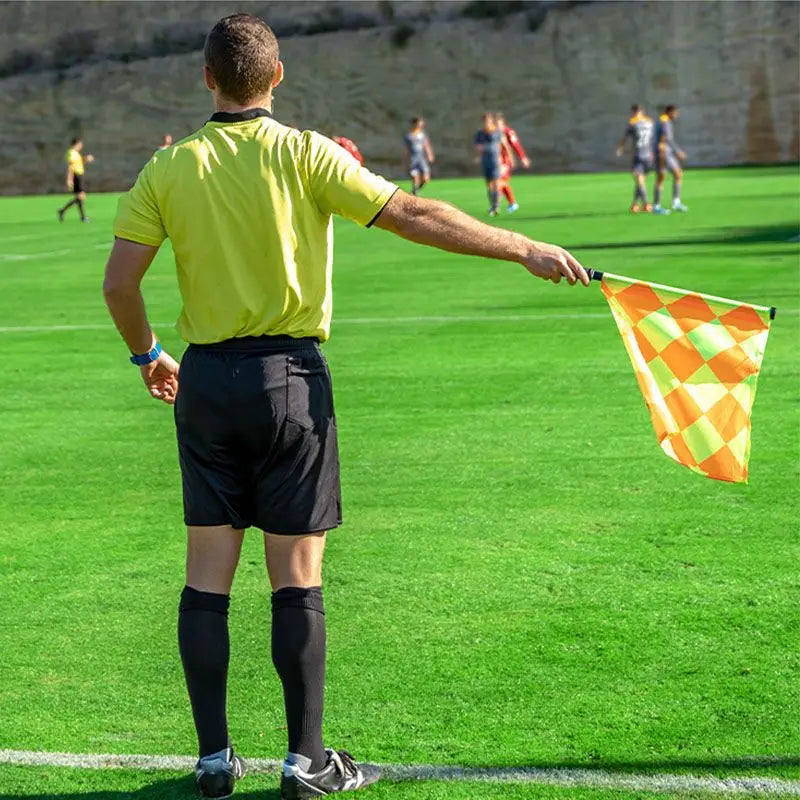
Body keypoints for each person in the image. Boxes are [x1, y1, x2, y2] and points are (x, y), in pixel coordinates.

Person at [102, 13, 589, 800]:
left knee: (206, 579)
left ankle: (215, 761)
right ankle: (305, 762)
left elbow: (120, 285)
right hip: (288, 378)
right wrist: (521, 247)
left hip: (205, 383)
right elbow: (415, 215)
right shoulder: (305, 153)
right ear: (278, 75)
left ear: (207, 79)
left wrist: (148, 355)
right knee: (295, 576)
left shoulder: (171, 167)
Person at [615, 104, 655, 214]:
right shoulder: (650, 121)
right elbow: (653, 138)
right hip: (648, 155)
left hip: (639, 155)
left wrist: (620, 148)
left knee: (640, 181)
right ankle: (635, 204)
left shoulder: (632, 122)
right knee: (640, 180)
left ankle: (646, 204)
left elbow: (625, 137)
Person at [473, 112, 512, 217]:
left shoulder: (498, 132)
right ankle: (493, 205)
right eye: (485, 121)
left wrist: (510, 159)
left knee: (496, 183)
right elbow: (477, 146)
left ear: (491, 121)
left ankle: (496, 206)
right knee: (489, 185)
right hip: (486, 161)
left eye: (489, 120)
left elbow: (505, 145)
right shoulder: (480, 133)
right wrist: (479, 153)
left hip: (496, 161)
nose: (487, 123)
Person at [653, 104, 688, 214]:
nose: (676, 115)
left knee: (678, 173)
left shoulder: (664, 121)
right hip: (663, 153)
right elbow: (666, 138)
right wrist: (678, 151)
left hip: (667, 153)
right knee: (661, 177)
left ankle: (676, 202)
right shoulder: (664, 122)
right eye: (675, 113)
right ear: (670, 112)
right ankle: (656, 206)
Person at [495, 112, 531, 213]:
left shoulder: (508, 132)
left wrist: (523, 158)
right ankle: (509, 203)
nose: (497, 127)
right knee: (500, 182)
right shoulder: (493, 133)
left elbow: (516, 145)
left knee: (501, 182)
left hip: (506, 161)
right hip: (497, 162)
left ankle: (500, 204)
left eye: (499, 125)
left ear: (503, 124)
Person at [57, 137, 94, 222]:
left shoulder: (76, 153)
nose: (81, 146)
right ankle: (65, 211)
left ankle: (64, 211)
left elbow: (79, 163)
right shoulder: (71, 153)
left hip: (79, 176)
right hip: (76, 176)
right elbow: (70, 167)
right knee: (81, 196)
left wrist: (85, 159)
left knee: (80, 197)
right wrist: (69, 179)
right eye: (80, 144)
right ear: (76, 144)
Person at [403, 117, 435, 195]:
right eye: (419, 123)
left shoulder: (422, 135)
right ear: (414, 124)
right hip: (413, 159)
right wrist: (405, 161)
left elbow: (426, 145)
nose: (421, 124)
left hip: (421, 159)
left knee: (426, 179)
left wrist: (429, 154)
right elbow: (406, 150)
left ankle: (415, 190)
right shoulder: (408, 136)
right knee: (415, 176)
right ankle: (415, 191)